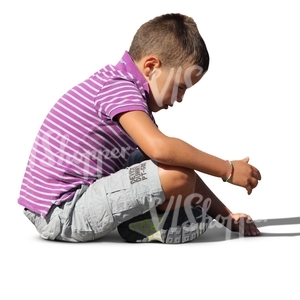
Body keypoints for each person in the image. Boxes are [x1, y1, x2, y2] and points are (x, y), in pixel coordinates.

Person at [18, 13, 262, 244]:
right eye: (179, 87)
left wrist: (226, 217)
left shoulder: (120, 87)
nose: (180, 98)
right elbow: (160, 148)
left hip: (59, 204)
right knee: (177, 175)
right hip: (63, 212)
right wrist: (226, 170)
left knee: (177, 166)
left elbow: (172, 156)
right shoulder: (119, 88)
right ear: (151, 66)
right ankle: (142, 224)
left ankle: (142, 219)